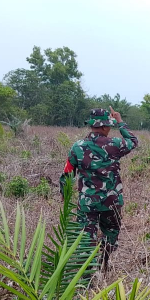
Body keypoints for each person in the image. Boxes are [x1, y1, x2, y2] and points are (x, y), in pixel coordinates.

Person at [60, 107, 139, 269]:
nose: (110, 129)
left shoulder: (77, 147)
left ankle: (86, 274)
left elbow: (67, 175)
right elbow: (133, 141)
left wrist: (65, 198)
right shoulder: (116, 144)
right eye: (109, 125)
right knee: (110, 235)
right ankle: (104, 264)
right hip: (111, 203)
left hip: (87, 204)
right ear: (104, 127)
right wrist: (120, 121)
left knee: (85, 240)